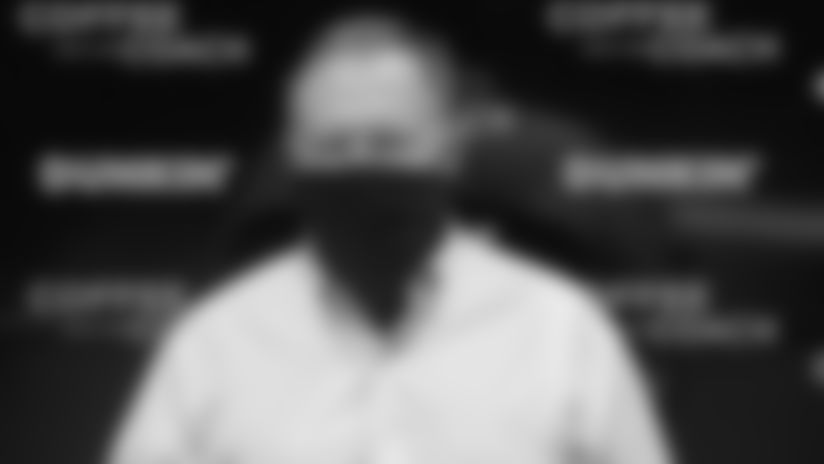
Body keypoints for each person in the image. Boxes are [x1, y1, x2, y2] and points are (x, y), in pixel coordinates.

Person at [108, 13, 672, 464]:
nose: (362, 169)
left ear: (449, 150)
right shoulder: (213, 343)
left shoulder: (560, 331)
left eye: (388, 143)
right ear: (294, 158)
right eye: (333, 147)